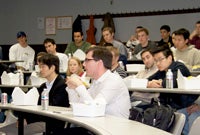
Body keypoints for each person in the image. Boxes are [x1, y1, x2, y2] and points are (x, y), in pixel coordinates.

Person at [0, 53, 70, 135]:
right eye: (39, 67)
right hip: (39, 120)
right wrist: (25, 118)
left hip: (51, 123)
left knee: (12, 132)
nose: (40, 69)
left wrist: (29, 120)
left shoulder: (62, 86)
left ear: (53, 68)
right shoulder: (43, 86)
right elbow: (36, 106)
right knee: (3, 130)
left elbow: (51, 109)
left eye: (43, 67)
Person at [66, 46, 131, 118]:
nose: (84, 64)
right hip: (99, 125)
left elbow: (94, 110)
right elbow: (78, 107)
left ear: (99, 63)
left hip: (114, 127)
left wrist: (80, 86)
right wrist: (72, 88)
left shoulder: (113, 81)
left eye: (87, 60)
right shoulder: (96, 81)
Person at [147, 44, 198, 110]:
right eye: (156, 61)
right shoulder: (162, 70)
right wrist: (149, 84)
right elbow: (147, 80)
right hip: (167, 107)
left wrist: (159, 82)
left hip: (184, 107)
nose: (158, 63)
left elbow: (170, 83)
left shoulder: (180, 67)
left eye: (160, 59)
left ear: (170, 58)